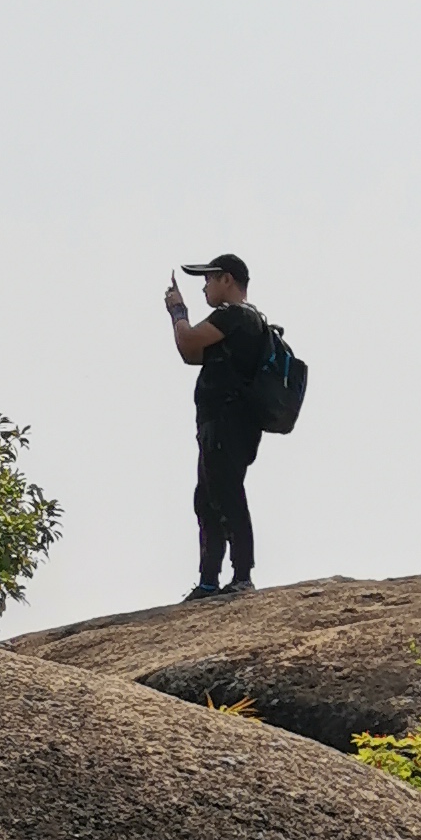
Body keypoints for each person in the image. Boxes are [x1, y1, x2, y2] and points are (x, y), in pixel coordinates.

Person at [164, 251, 274, 599]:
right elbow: (193, 355)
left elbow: (187, 341)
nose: (205, 287)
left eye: (209, 279)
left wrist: (177, 312)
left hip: (228, 423)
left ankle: (241, 576)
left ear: (228, 279)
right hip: (222, 424)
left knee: (226, 495)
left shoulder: (236, 316)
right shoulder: (241, 321)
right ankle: (209, 580)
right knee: (208, 498)